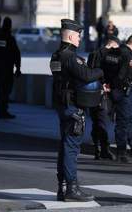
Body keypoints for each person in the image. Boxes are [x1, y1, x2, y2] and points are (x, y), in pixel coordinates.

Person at [50, 18, 105, 202]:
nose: (80, 39)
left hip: (62, 105)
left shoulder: (56, 55)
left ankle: (62, 187)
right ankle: (72, 189)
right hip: (72, 107)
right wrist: (100, 70)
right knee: (71, 148)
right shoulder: (70, 57)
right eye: (79, 36)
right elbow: (87, 75)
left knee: (64, 146)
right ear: (71, 36)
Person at [107, 30, 132, 163]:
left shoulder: (115, 52)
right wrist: (119, 87)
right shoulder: (127, 55)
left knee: (125, 120)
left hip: (114, 91)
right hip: (122, 92)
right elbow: (122, 75)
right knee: (124, 121)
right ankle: (123, 152)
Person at [86, 35, 120, 160]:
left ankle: (97, 148)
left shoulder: (93, 54)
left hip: (91, 93)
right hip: (104, 93)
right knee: (102, 122)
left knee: (96, 121)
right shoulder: (109, 56)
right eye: (116, 47)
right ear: (112, 44)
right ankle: (104, 149)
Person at [0, 17, 21, 119]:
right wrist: (18, 67)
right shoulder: (9, 38)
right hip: (7, 68)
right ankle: (3, 110)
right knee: (6, 89)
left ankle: (1, 109)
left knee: (0, 89)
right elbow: (16, 54)